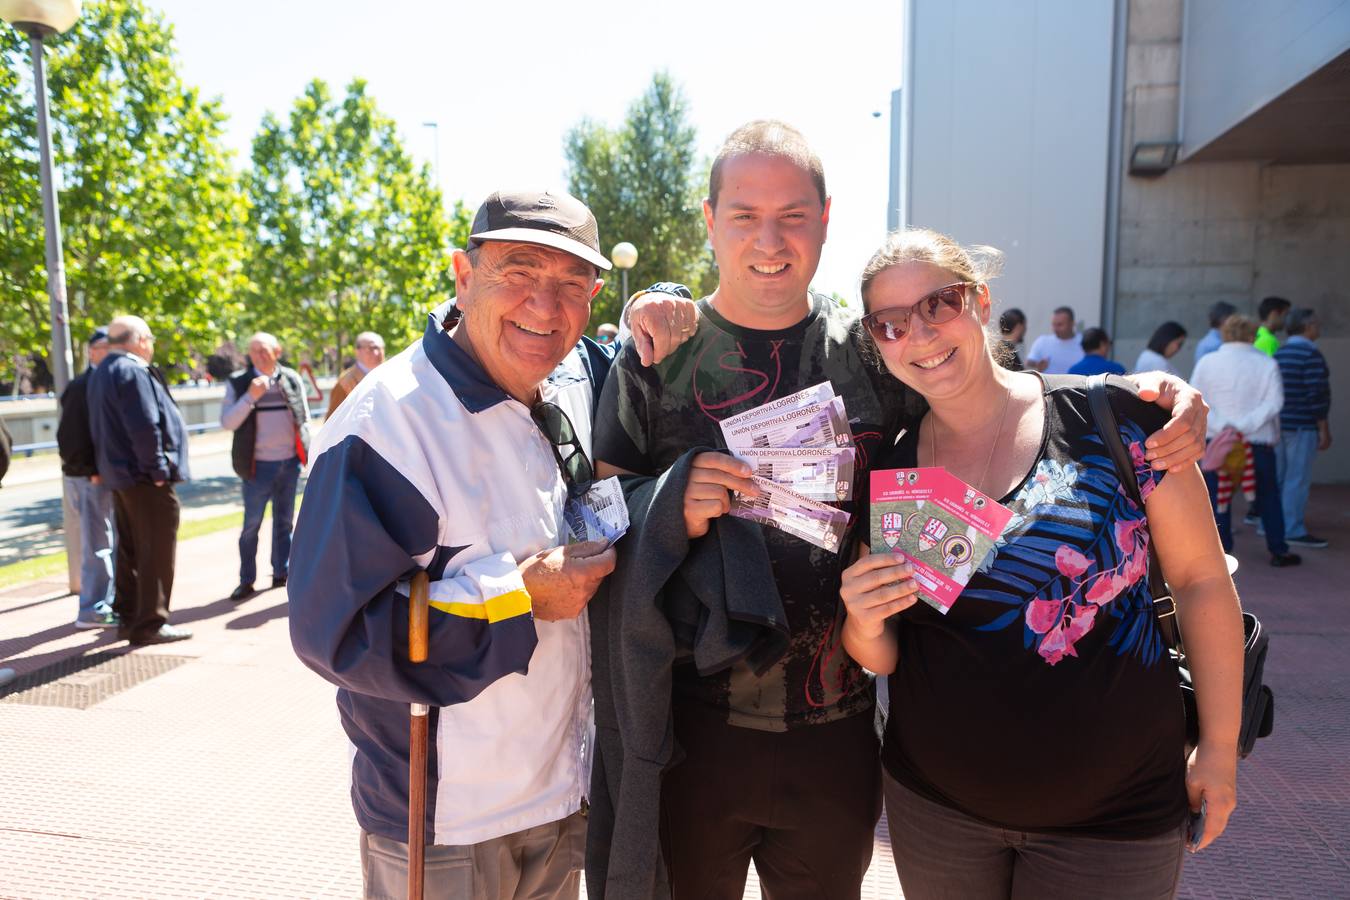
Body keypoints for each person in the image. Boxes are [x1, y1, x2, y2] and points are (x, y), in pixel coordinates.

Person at [590, 120, 1209, 900]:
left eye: (793, 215)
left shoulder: (870, 347)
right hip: (689, 732)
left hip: (839, 733)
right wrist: (670, 503)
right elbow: (600, 523)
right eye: (744, 215)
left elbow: (988, 398)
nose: (769, 239)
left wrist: (1156, 398)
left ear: (825, 218)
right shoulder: (654, 351)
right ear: (708, 220)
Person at [841, 227, 1243, 899]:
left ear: (980, 302)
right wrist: (861, 618)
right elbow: (885, 653)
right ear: (877, 344)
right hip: (939, 812)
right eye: (891, 323)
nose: (921, 334)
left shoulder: (1115, 420)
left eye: (939, 303)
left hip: (1115, 820)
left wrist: (1222, 750)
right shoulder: (896, 466)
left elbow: (1202, 582)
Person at [288, 189, 621, 900]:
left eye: (570, 285)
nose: (545, 305)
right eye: (519, 273)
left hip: (561, 799)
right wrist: (520, 595)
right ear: (463, 277)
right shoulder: (386, 425)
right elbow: (334, 634)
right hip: (442, 827)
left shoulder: (558, 393)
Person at [86, 315, 192, 645]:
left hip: (123, 478)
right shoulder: (132, 370)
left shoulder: (102, 370)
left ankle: (131, 619)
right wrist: (158, 471)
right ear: (141, 340)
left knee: (131, 550)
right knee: (155, 551)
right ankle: (150, 624)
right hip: (145, 479)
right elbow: (144, 426)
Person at [1190, 315, 1298, 567]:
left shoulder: (1207, 362)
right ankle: (1278, 550)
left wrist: (1224, 426)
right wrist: (1243, 426)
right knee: (1268, 496)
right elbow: (1274, 403)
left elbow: (1196, 399)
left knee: (1215, 499)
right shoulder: (1267, 363)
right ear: (1253, 335)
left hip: (1217, 441)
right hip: (1256, 441)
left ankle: (1219, 554)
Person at [220, 332, 311, 602]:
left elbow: (303, 418)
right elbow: (227, 422)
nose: (258, 355)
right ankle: (246, 579)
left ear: (278, 351)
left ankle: (281, 572)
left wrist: (308, 455)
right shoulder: (238, 382)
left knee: (285, 523)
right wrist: (250, 397)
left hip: (289, 464)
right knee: (251, 525)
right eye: (253, 351)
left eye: (264, 350)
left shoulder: (292, 378)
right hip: (256, 467)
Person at [57, 327, 120, 628]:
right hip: (89, 478)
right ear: (92, 351)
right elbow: (69, 438)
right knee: (97, 546)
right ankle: (92, 609)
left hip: (108, 477)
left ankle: (105, 603)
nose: (111, 351)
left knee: (109, 542)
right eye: (105, 346)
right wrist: (92, 470)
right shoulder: (82, 386)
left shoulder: (108, 380)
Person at [1275, 308, 1332, 548]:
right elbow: (1316, 394)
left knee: (1280, 478)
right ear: (1308, 326)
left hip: (1279, 426)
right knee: (1297, 479)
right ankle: (1292, 529)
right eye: (1317, 324)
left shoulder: (1280, 353)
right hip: (1302, 426)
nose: (1318, 328)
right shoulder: (1310, 354)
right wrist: (1324, 428)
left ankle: (1274, 525)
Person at [325, 331, 386, 417]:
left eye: (379, 348)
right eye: (371, 348)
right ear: (357, 351)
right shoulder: (344, 384)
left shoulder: (392, 376)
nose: (376, 353)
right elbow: (331, 422)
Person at [1025, 306, 1082, 374]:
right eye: (1053, 324)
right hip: (1048, 384)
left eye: (1060, 325)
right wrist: (1036, 365)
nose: (1055, 328)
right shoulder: (1042, 342)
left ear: (1072, 323)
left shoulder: (1084, 343)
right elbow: (1028, 364)